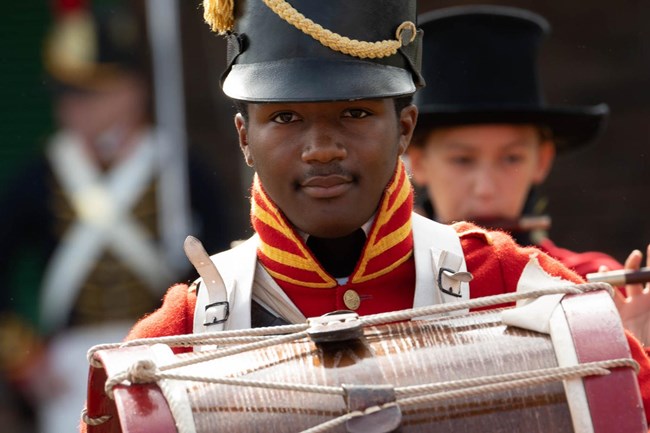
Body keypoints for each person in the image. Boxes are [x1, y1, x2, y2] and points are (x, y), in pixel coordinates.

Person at [81, 0, 650, 431]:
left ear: (404, 128)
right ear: (243, 138)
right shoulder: (179, 337)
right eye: (284, 118)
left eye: (355, 112)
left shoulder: (515, 285)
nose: (321, 147)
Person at [0, 1, 230, 432]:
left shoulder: (179, 169)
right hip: (69, 364)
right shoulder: (41, 175)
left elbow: (217, 261)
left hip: (160, 349)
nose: (75, 109)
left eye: (92, 93)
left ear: (133, 90)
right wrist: (22, 355)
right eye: (68, 95)